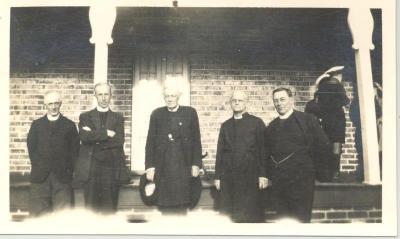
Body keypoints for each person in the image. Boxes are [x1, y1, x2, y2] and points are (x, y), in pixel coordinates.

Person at [265, 87, 330, 223]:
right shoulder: (271, 126)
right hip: (280, 183)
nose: (279, 103)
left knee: (301, 220)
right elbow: (267, 153)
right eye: (276, 101)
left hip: (302, 182)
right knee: (283, 220)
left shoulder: (307, 120)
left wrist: (314, 171)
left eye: (282, 99)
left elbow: (323, 145)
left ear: (291, 100)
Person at [145, 81, 202, 215]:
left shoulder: (190, 113)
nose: (170, 99)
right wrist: (150, 166)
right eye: (167, 96)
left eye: (173, 96)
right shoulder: (157, 114)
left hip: (183, 165)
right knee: (164, 206)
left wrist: (196, 163)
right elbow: (150, 142)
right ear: (164, 97)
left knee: (182, 205)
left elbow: (196, 140)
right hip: (163, 166)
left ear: (178, 97)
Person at [214, 90, 268, 223]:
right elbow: (220, 152)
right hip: (229, 177)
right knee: (230, 215)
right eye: (234, 100)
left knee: (250, 214)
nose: (237, 103)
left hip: (250, 175)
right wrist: (217, 177)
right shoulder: (225, 125)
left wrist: (263, 174)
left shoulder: (256, 123)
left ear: (246, 102)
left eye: (240, 100)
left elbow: (263, 150)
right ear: (231, 103)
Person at [73, 83, 126, 213]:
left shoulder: (118, 117)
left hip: (111, 169)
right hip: (91, 169)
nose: (103, 98)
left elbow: (119, 140)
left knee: (109, 209)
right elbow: (84, 137)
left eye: (106, 94)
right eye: (100, 94)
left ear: (111, 96)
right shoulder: (85, 116)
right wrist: (107, 133)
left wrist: (95, 137)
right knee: (91, 209)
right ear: (95, 96)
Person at [27, 91, 80, 216]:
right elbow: (31, 148)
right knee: (39, 216)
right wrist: (39, 165)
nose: (53, 107)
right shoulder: (37, 125)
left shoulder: (69, 125)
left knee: (62, 216)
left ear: (60, 104)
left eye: (56, 103)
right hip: (40, 178)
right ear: (45, 105)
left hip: (62, 178)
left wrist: (69, 170)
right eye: (50, 104)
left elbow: (75, 151)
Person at [305, 66, 350, 182]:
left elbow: (318, 104)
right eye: (340, 75)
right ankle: (335, 174)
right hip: (338, 120)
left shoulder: (322, 87)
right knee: (336, 146)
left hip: (326, 120)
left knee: (326, 145)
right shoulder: (338, 86)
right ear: (337, 75)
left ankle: (325, 174)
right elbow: (346, 101)